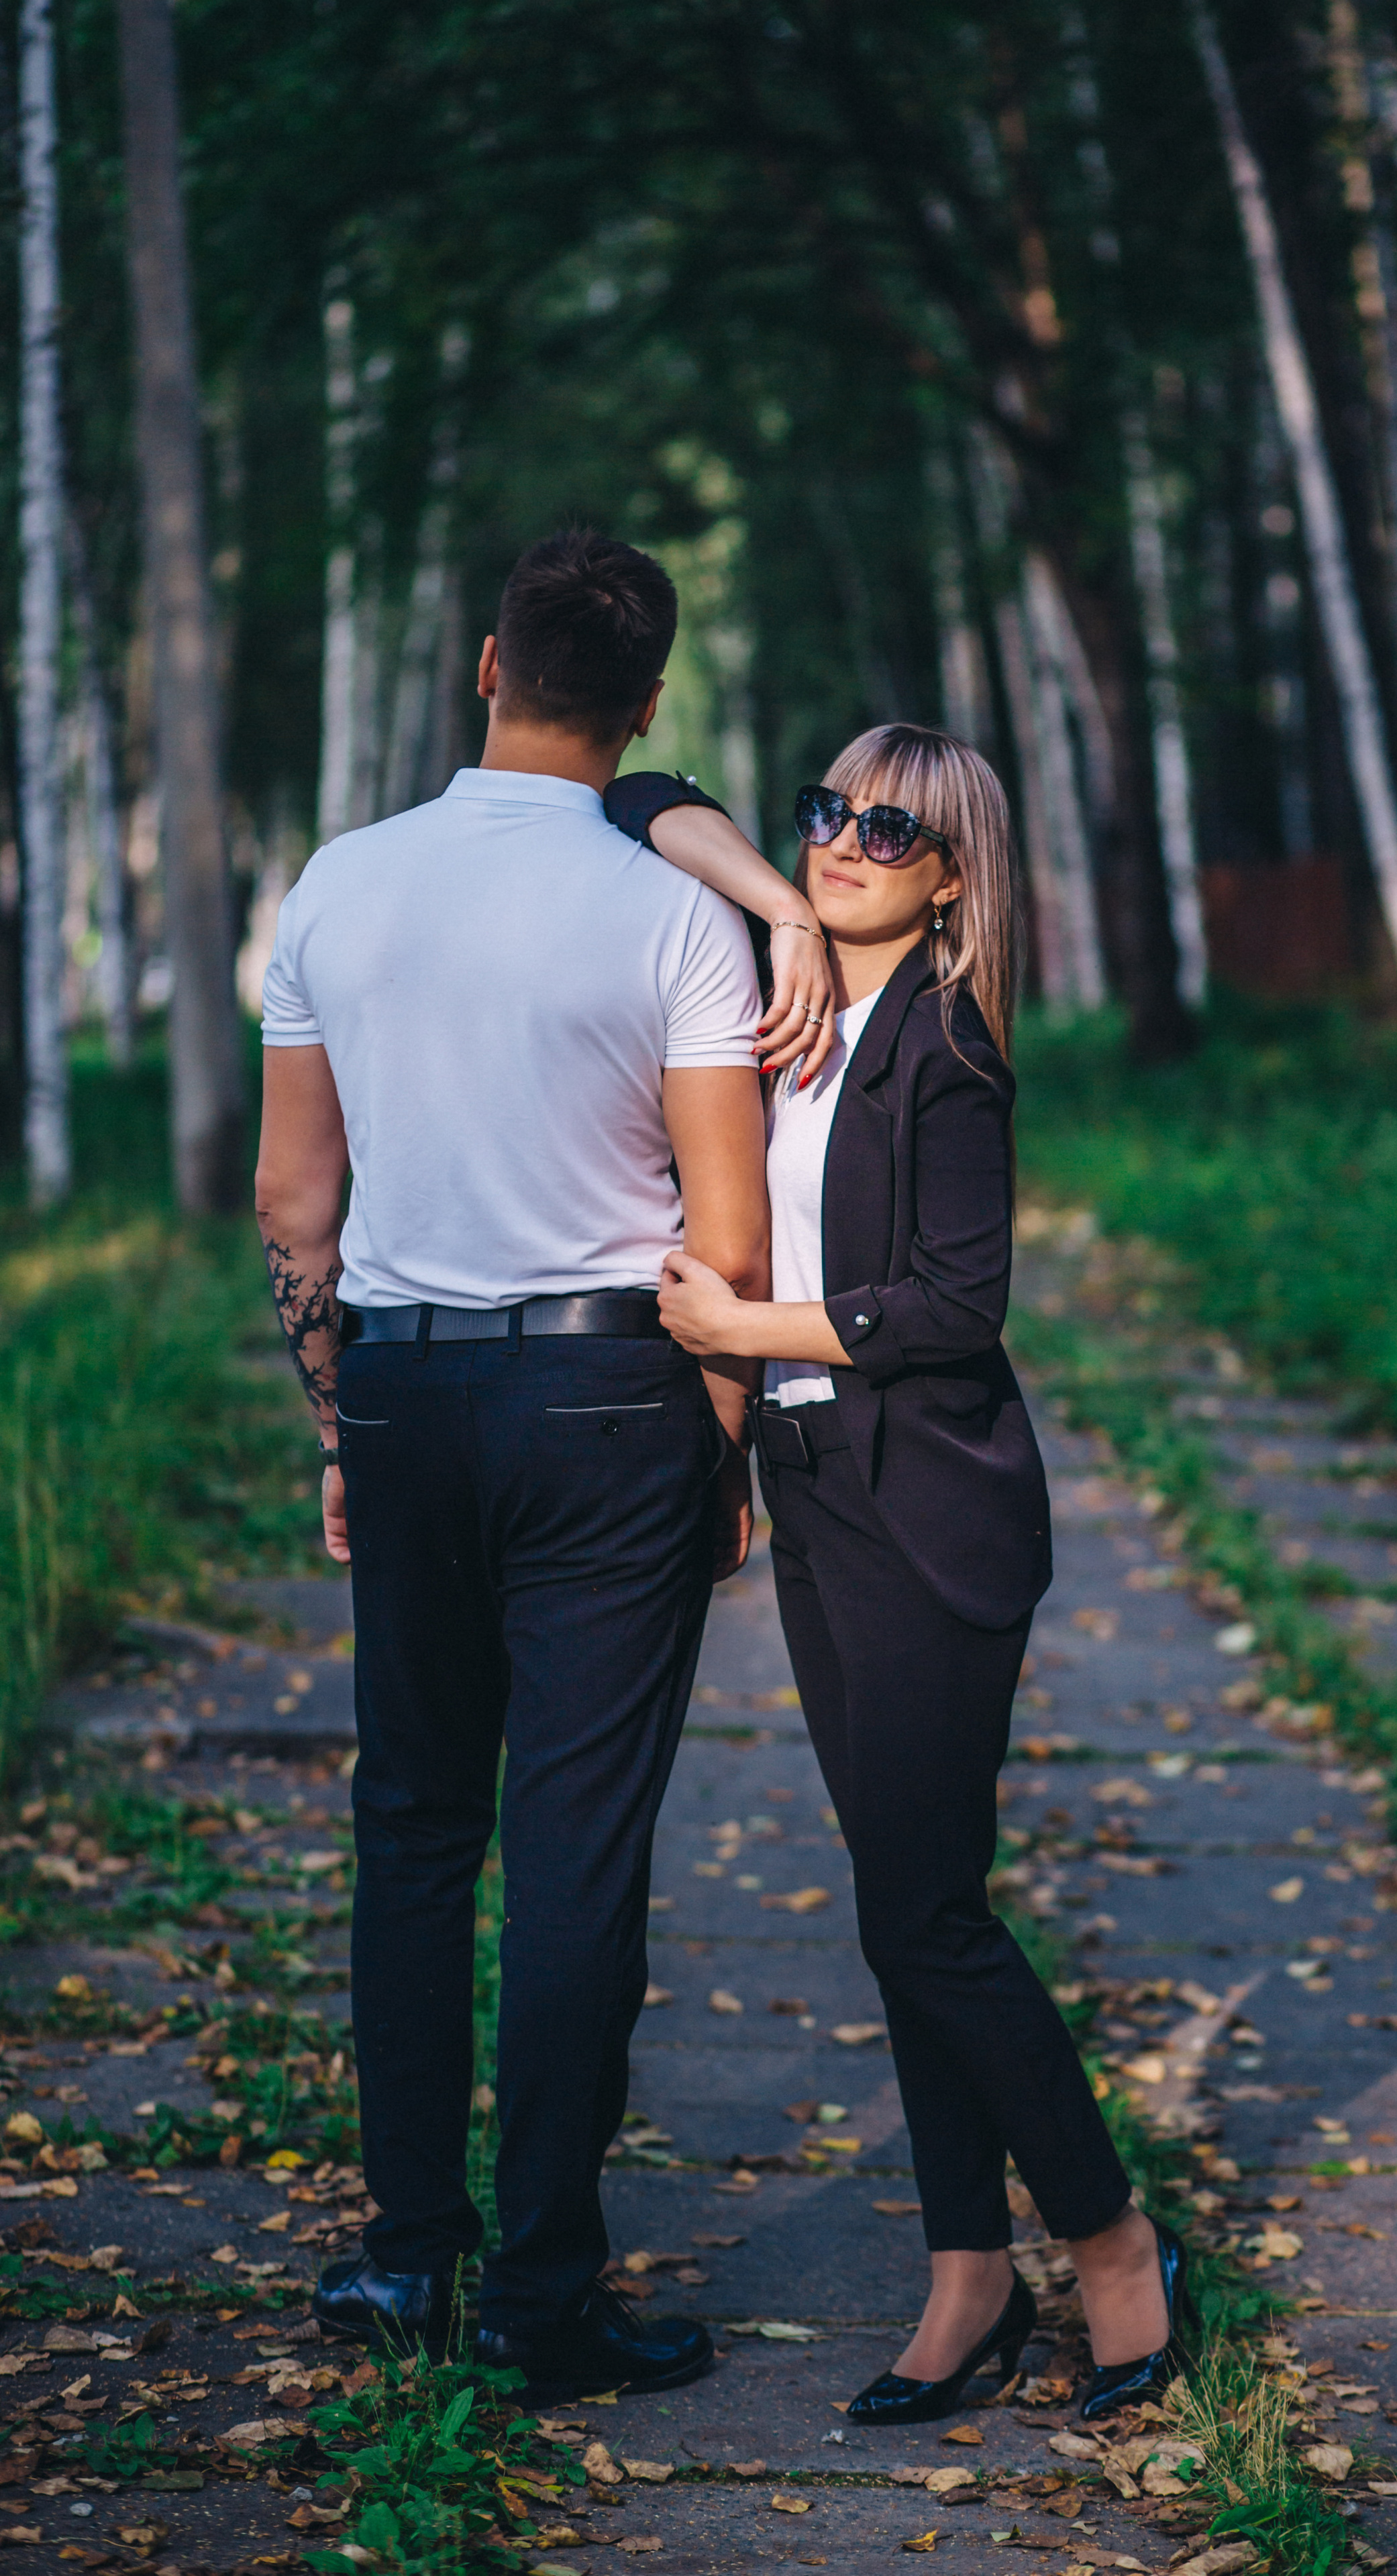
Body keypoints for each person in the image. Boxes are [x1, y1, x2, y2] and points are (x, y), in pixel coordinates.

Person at [254, 529, 817, 2403]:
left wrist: (342, 1417)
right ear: (643, 707)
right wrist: (717, 1465)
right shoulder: (672, 920)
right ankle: (543, 2294)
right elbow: (727, 1240)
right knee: (577, 1848)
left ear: (487, 667)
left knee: (415, 1828)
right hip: (612, 1404)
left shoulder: (339, 885)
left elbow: (294, 1201)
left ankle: (406, 2260)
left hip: (407, 1394)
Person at [656, 723, 1196, 2424]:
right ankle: (967, 2273)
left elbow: (958, 1306)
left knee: (924, 1914)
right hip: (818, 1495)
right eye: (826, 811)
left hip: (930, 1519)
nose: (841, 842)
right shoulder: (797, 987)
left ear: (954, 878)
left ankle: (1110, 2242)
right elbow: (635, 799)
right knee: (908, 1902)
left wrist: (742, 1329)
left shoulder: (949, 1049)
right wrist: (783, 914)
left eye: (887, 832)